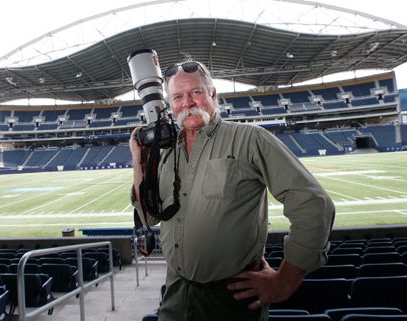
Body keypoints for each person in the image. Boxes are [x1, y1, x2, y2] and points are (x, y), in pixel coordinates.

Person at [130, 60, 335, 321]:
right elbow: (149, 218)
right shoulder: (167, 152)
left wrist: (285, 281)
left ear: (213, 94)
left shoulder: (250, 139)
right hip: (175, 296)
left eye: (195, 92)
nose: (187, 102)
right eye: (178, 96)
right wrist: (140, 162)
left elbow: (313, 204)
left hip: (231, 302)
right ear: (171, 104)